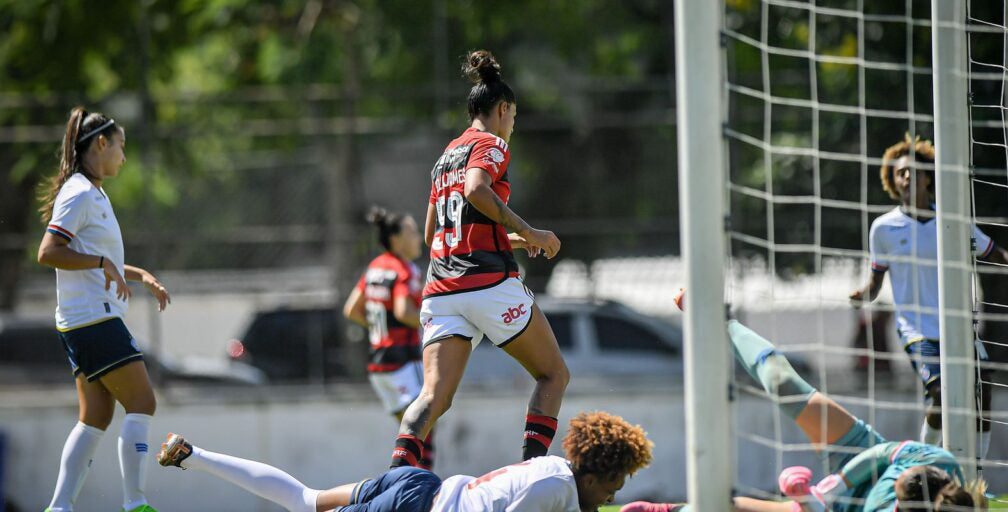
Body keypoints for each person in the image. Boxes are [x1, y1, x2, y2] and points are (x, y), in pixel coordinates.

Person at [625, 293, 987, 511]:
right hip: (861, 457)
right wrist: (834, 485)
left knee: (730, 506)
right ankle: (719, 318)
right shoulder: (939, 461)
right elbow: (884, 456)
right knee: (784, 383)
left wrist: (813, 501)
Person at [389, 49, 570, 469]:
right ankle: (530, 475)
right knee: (553, 375)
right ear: (503, 109)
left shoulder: (443, 157)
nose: (512, 127)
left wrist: (508, 240)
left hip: (441, 291)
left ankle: (394, 482)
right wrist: (530, 232)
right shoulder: (490, 144)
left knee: (432, 397)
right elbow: (475, 190)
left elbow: (437, 235)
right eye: (514, 117)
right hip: (488, 285)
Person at [849, 134, 1008, 459]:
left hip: (958, 327)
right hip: (917, 329)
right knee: (941, 394)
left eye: (912, 171)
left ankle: (975, 473)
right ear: (893, 181)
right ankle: (923, 462)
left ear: (928, 177)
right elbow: (875, 282)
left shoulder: (953, 221)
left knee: (982, 392)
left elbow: (990, 251)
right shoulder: (884, 228)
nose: (905, 178)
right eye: (899, 173)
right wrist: (862, 294)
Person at [37, 107, 171, 512]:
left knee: (95, 416)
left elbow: (94, 255)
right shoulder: (78, 192)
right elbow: (49, 252)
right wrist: (102, 264)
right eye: (120, 147)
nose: (123, 157)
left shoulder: (91, 191)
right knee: (143, 402)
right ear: (101, 143)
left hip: (83, 320)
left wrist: (138, 274)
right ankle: (135, 503)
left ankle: (59, 507)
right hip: (94, 319)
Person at [156, 410, 653, 512]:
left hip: (420, 485)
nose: (614, 495)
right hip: (415, 509)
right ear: (598, 473)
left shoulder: (553, 471)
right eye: (616, 483)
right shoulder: (559, 492)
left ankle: (193, 456)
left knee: (307, 500)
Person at [344, 207, 435, 469]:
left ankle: (409, 484)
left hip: (379, 366)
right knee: (423, 428)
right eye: (413, 232)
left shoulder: (375, 267)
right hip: (403, 361)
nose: (418, 238)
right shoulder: (404, 269)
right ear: (396, 239)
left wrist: (377, 328)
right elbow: (402, 311)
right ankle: (419, 491)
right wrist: (432, 320)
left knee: (410, 432)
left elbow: (352, 309)